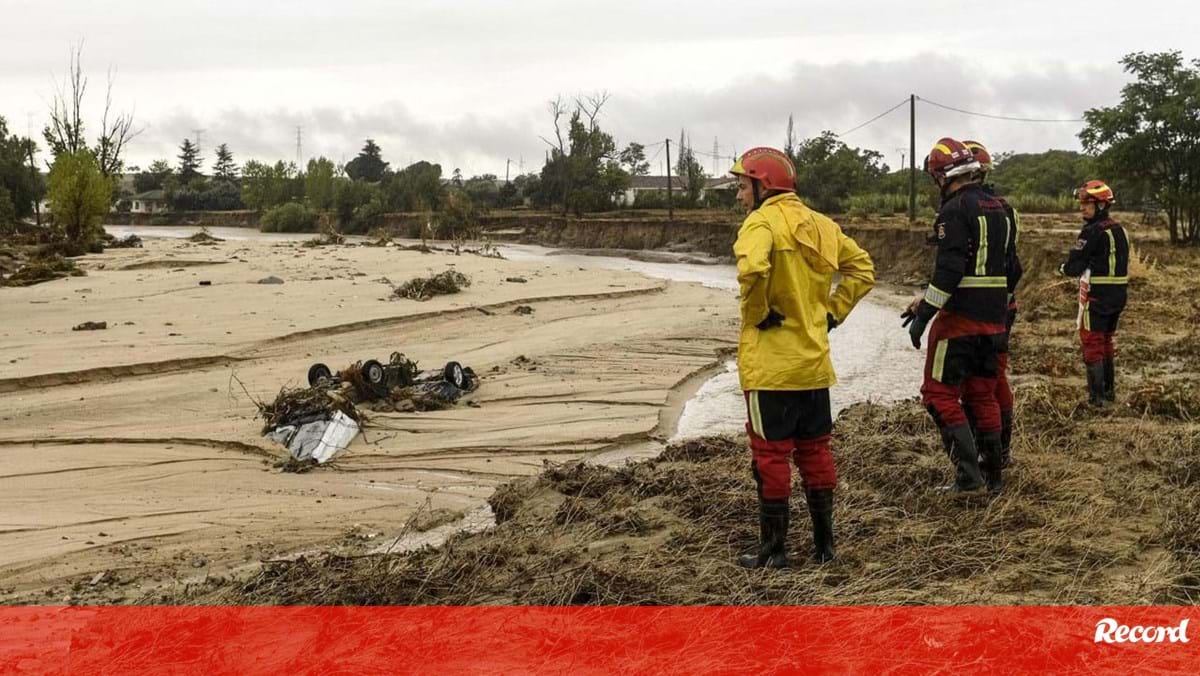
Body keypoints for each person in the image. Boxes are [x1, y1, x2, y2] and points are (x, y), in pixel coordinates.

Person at [729, 147, 875, 568]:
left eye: (742, 186)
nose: (740, 196)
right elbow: (863, 269)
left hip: (770, 369)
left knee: (770, 456)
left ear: (762, 185)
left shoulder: (759, 224)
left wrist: (757, 314)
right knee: (815, 451)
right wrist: (832, 311)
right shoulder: (823, 225)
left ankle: (774, 552)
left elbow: (752, 271)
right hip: (813, 364)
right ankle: (825, 548)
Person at [902, 138, 1011, 494]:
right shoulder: (1002, 208)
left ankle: (967, 477)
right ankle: (993, 477)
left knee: (938, 394)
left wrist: (926, 315)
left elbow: (950, 270)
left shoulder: (954, 210)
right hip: (996, 317)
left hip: (960, 320)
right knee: (982, 393)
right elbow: (1013, 268)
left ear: (942, 175)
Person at [963, 140, 1023, 468]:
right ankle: (997, 452)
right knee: (994, 377)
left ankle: (993, 455)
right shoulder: (1001, 208)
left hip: (990, 307)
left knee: (986, 380)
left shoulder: (986, 209)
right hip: (1001, 304)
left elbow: (1006, 263)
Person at [1058, 180, 1128, 407]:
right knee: (1106, 340)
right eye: (1082, 203)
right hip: (1118, 296)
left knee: (1092, 342)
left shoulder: (1092, 231)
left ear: (1101, 205)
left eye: (1087, 203)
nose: (1082, 208)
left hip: (1097, 296)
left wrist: (1063, 269)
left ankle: (1096, 398)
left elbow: (1074, 266)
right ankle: (1109, 393)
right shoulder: (1120, 230)